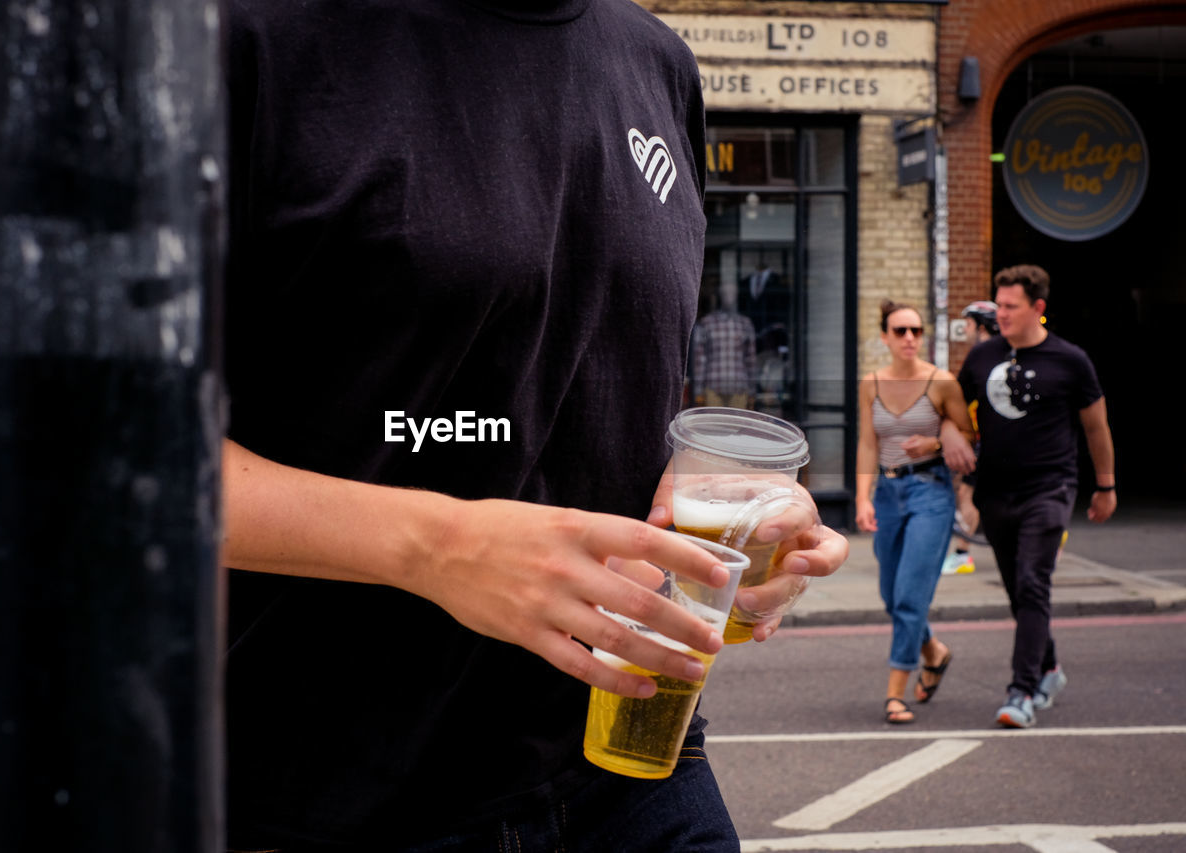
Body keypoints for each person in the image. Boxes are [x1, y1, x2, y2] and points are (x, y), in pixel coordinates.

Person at [220, 1, 850, 850]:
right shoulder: (241, 36)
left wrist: (726, 499)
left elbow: (602, 368)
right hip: (332, 794)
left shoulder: (658, 62)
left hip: (631, 763)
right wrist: (440, 544)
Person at [954, 264, 1116, 729]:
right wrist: (951, 434)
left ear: (1037, 308)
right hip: (995, 492)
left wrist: (1105, 485)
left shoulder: (1070, 360)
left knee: (1031, 582)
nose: (1000, 314)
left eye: (1010, 306)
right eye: (998, 305)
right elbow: (949, 407)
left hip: (1050, 487)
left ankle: (1021, 692)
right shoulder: (982, 358)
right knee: (1018, 590)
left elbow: (1096, 427)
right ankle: (1049, 668)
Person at [856, 301, 976, 724]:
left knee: (910, 597)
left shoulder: (941, 382)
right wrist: (862, 497)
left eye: (916, 331)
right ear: (885, 336)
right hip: (888, 493)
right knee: (891, 595)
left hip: (931, 492)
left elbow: (968, 434)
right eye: (900, 330)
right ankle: (934, 651)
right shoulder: (870, 383)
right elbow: (868, 442)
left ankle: (895, 694)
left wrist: (935, 444)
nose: (910, 338)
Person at [941, 300, 1000, 575]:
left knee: (968, 494)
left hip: (986, 441)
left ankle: (963, 554)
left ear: (981, 325)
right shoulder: (1001, 353)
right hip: (985, 440)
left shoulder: (983, 355)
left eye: (968, 324)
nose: (964, 329)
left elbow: (961, 398)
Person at [692, 278, 759, 409]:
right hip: (713, 386)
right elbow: (700, 359)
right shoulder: (707, 323)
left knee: (737, 428)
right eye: (725, 293)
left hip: (738, 387)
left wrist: (752, 390)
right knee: (714, 427)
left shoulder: (745, 324)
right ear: (720, 296)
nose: (729, 297)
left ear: (736, 296)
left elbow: (750, 360)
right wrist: (698, 390)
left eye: (732, 293)